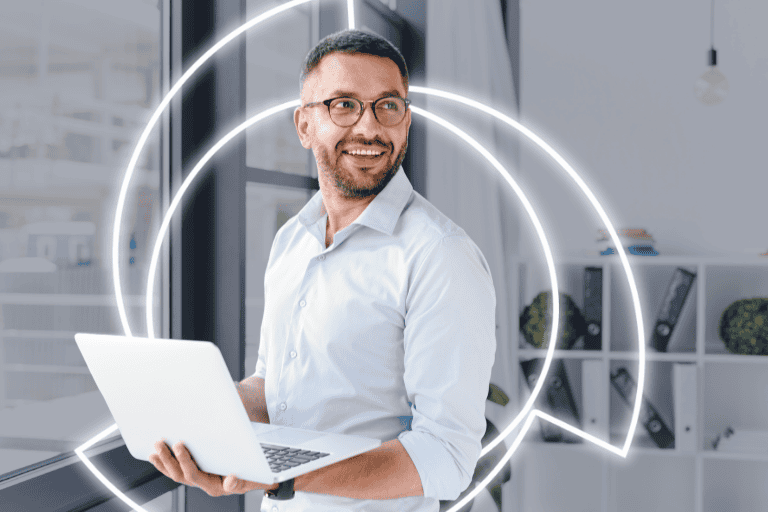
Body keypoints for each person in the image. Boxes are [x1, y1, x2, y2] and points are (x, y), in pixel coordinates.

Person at [148, 29, 497, 512]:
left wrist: (281, 475)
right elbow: (276, 387)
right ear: (304, 125)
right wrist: (206, 413)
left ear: (407, 121)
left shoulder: (440, 255)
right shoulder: (292, 240)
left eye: (387, 106)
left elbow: (447, 457)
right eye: (344, 105)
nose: (369, 128)